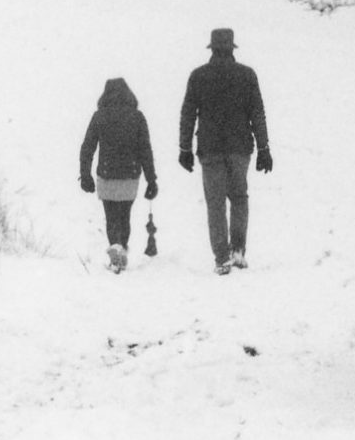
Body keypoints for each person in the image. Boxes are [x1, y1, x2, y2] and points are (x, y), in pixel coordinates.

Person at [177, 26, 271, 274]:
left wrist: (184, 147)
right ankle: (238, 250)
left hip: (210, 149)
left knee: (215, 203)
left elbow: (188, 114)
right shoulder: (247, 75)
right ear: (231, 48)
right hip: (240, 147)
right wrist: (264, 148)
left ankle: (221, 257)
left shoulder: (198, 76)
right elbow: (257, 113)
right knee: (239, 198)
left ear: (212, 48)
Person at [78, 78, 158, 273]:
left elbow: (87, 147)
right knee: (125, 215)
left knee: (111, 215)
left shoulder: (100, 116)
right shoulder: (137, 117)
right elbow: (145, 150)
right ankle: (121, 247)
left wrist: (85, 174)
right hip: (130, 176)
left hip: (106, 174)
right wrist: (151, 179)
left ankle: (116, 247)